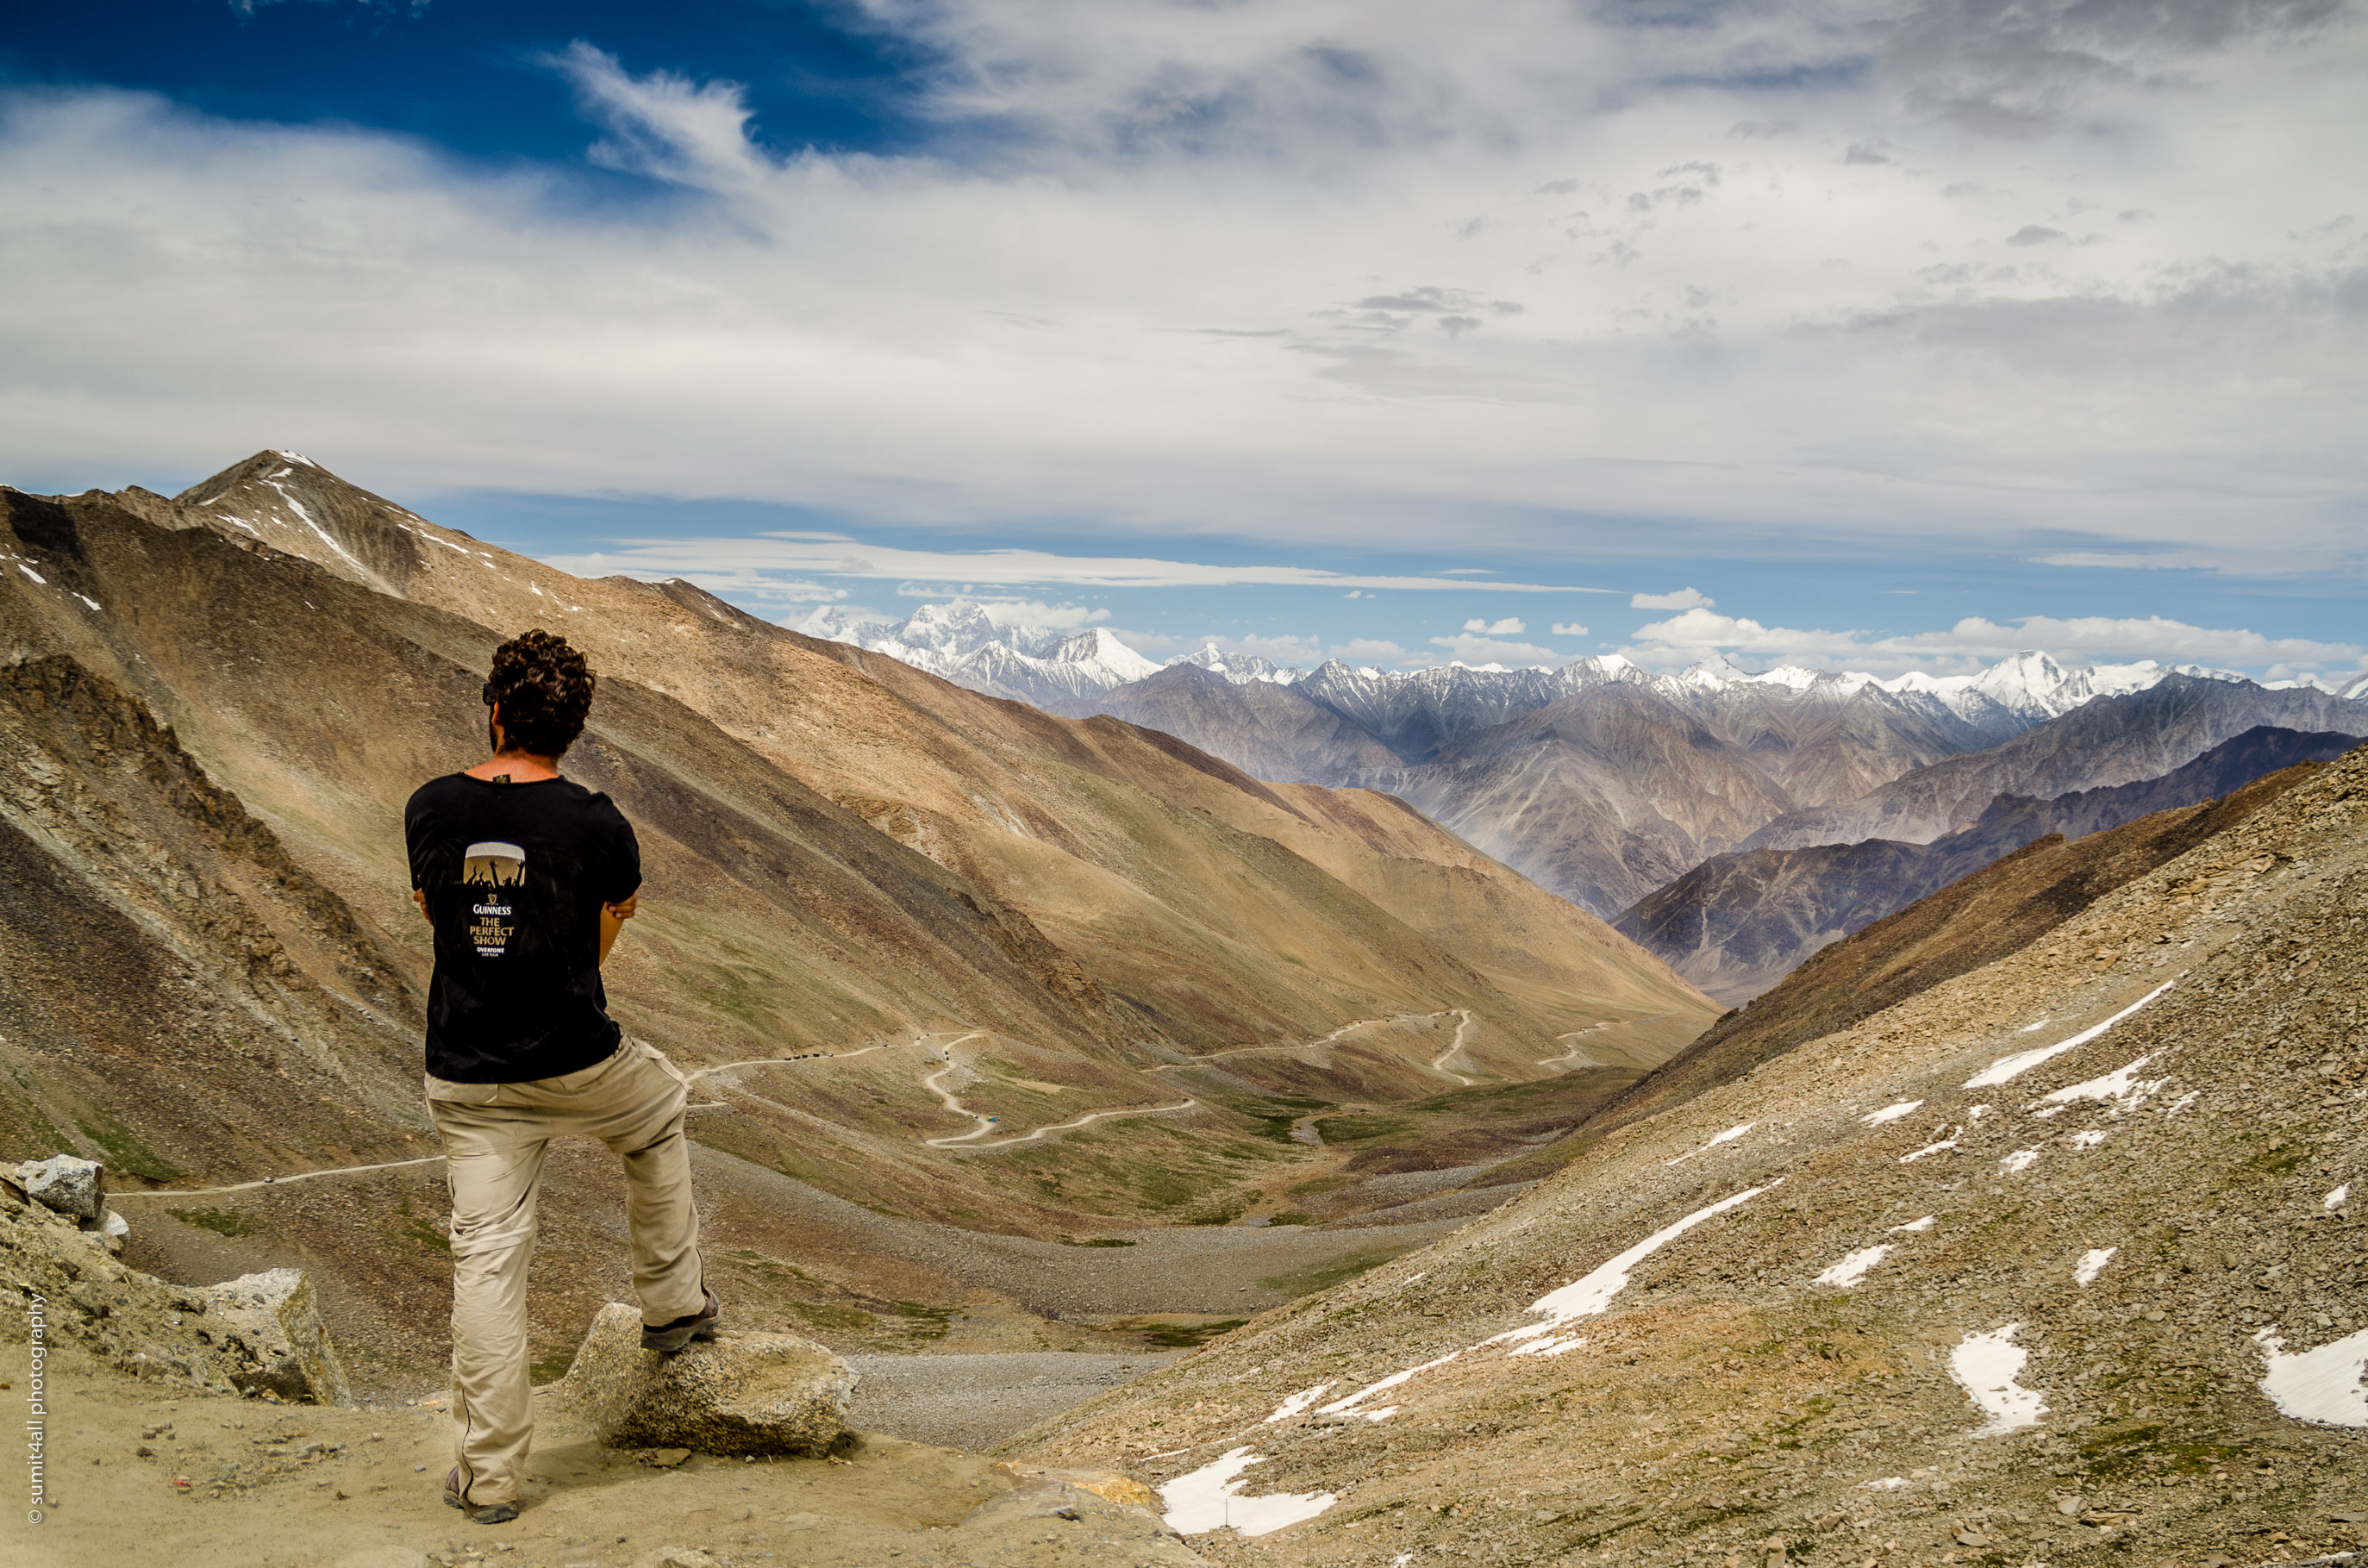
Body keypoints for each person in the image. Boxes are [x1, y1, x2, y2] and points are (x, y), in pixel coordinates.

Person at [404, 629, 719, 1526]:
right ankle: (672, 1304)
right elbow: (603, 932)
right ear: (571, 729)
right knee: (657, 1110)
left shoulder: (430, 808)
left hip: (466, 1072)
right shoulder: (598, 825)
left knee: (488, 1261)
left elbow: (437, 913)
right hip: (577, 1058)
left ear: (494, 710)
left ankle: (490, 1476)